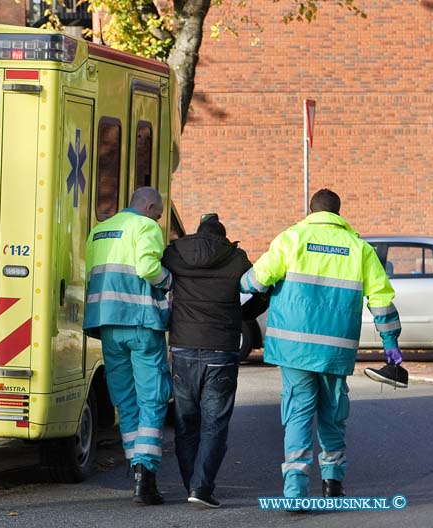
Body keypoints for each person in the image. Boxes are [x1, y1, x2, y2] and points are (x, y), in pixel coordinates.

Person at [240, 188, 403, 500]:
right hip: (335, 349)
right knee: (333, 413)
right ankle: (332, 482)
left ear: (311, 211)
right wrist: (390, 342)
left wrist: (239, 283)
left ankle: (295, 490)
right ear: (338, 214)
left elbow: (255, 281)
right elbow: (381, 300)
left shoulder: (291, 239)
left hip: (293, 348)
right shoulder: (359, 248)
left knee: (298, 412)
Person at [162, 215, 268, 508]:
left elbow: (153, 276)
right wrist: (244, 315)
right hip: (220, 351)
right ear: (223, 237)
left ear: (197, 234)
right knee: (215, 423)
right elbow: (261, 289)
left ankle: (191, 485)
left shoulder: (175, 253)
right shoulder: (235, 258)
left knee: (186, 423)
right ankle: (201, 487)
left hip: (183, 347)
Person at [83, 186, 172, 506]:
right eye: (159, 214)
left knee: (125, 400)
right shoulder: (144, 227)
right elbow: (149, 268)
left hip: (106, 323)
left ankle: (136, 467)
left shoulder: (100, 230)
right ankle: (145, 475)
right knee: (153, 397)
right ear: (149, 206)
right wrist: (169, 281)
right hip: (140, 322)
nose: (159, 221)